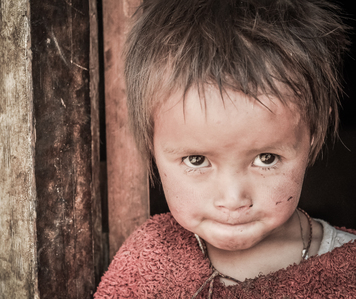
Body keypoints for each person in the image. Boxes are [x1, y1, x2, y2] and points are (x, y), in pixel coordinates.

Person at [95, 0, 356, 297]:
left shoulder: (346, 268)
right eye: (196, 160)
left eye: (266, 158)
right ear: (151, 145)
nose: (232, 201)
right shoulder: (146, 263)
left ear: (312, 135)